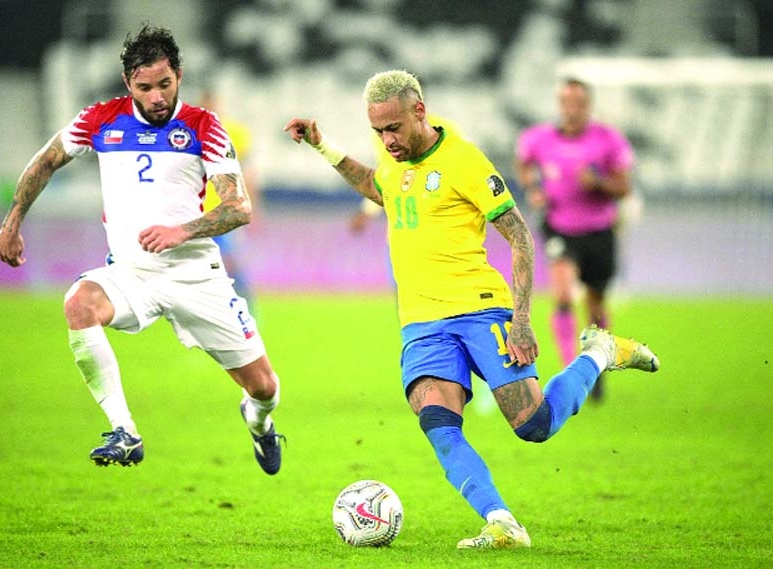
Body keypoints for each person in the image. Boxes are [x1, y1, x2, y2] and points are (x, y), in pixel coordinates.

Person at [284, 70, 659, 549]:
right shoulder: (394, 163)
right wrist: (323, 146)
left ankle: (601, 351)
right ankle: (502, 522)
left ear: (419, 111)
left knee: (534, 425)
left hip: (480, 310)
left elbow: (519, 234)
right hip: (421, 323)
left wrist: (520, 319)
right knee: (439, 426)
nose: (387, 140)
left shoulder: (463, 160)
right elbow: (381, 188)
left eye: (393, 128)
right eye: (378, 131)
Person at [0, 25, 284, 474]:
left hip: (195, 276)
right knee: (79, 304)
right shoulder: (100, 118)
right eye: (144, 87)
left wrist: (180, 232)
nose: (156, 97)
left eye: (164, 85)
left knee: (264, 386)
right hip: (132, 273)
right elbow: (47, 158)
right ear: (128, 83)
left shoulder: (203, 126)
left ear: (179, 76)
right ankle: (124, 431)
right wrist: (13, 221)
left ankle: (259, 422)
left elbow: (238, 208)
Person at [515, 78, 635, 401]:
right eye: (567, 103)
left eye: (579, 104)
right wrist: (533, 188)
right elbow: (524, 165)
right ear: (560, 105)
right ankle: (571, 370)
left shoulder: (607, 140)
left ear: (588, 106)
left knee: (595, 302)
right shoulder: (540, 139)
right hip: (560, 228)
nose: (572, 110)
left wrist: (598, 182)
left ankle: (596, 368)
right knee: (564, 293)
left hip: (598, 231)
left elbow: (624, 187)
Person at [199, 90, 260, 311]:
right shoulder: (191, 134)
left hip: (226, 211)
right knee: (201, 266)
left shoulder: (234, 133)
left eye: (213, 103)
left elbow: (249, 173)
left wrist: (253, 208)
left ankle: (246, 307)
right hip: (196, 213)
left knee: (229, 261)